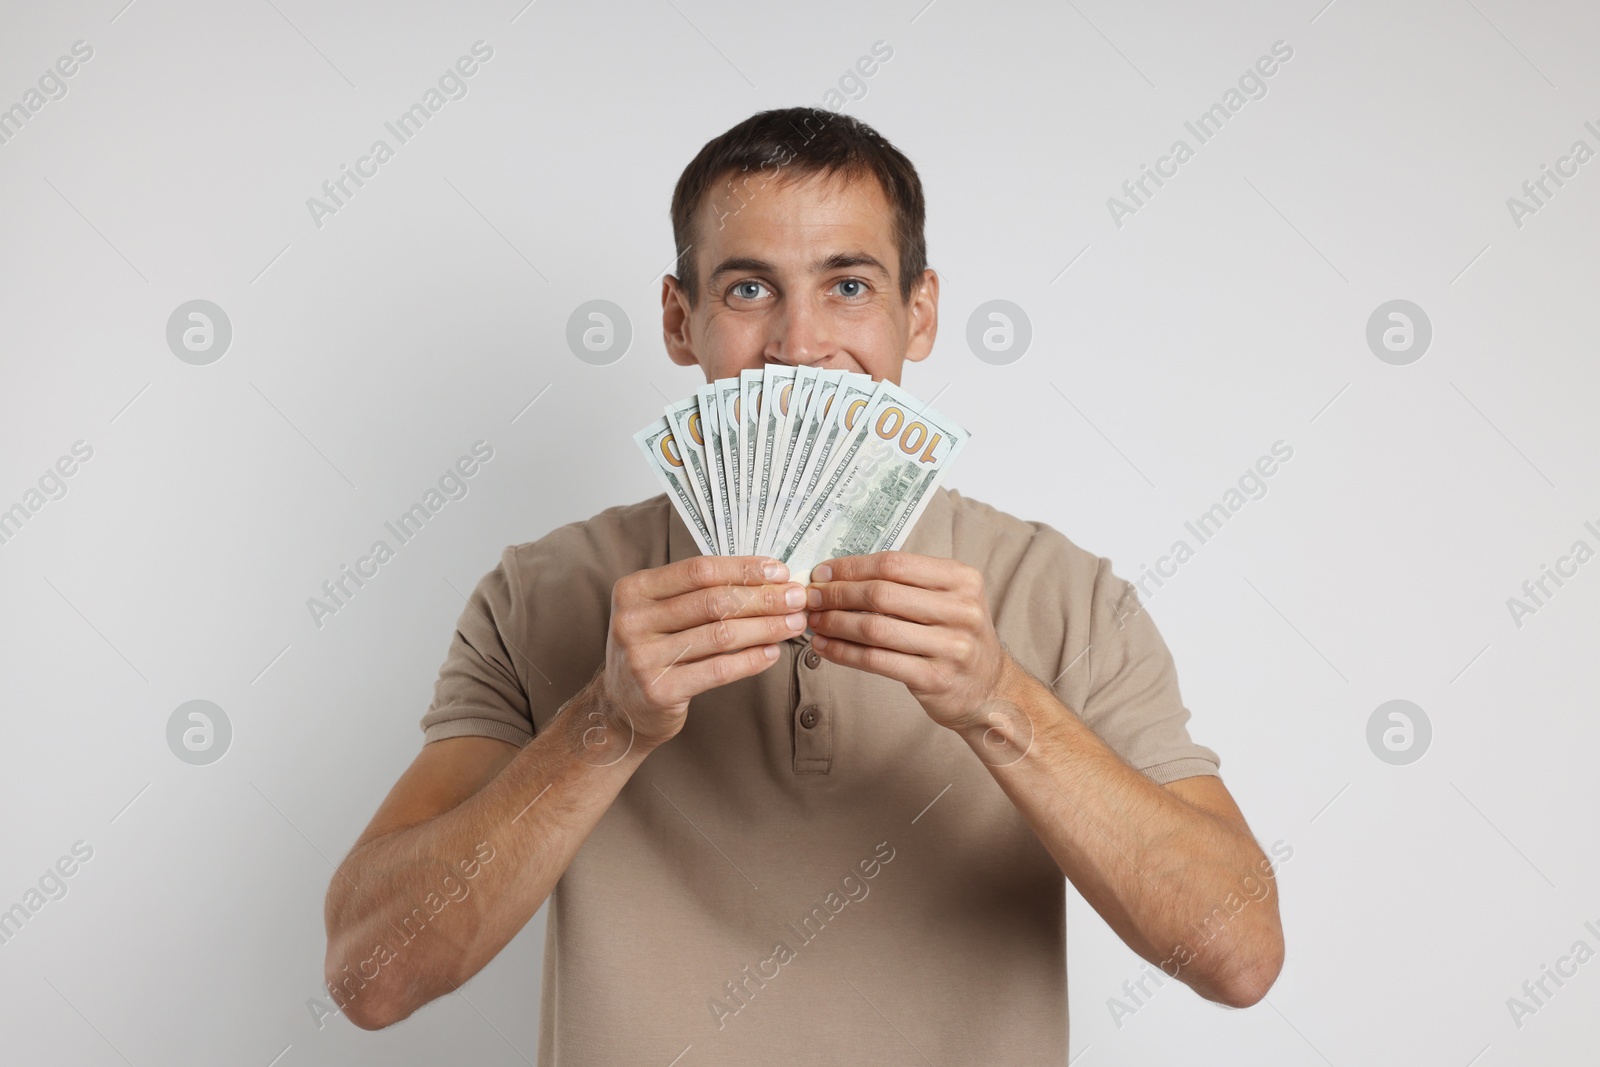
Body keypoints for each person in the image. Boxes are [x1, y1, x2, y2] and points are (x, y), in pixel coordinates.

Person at [321, 106, 1285, 1062]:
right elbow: (372, 975)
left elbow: (1237, 956)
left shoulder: (1068, 597)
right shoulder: (542, 594)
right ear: (677, 318)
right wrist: (602, 725)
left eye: (850, 285)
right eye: (748, 288)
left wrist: (1001, 703)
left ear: (921, 312)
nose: (799, 343)